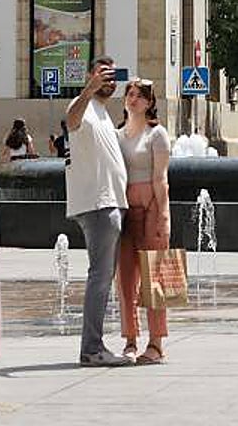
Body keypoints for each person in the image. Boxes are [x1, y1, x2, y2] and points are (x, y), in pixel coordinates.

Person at [65, 56, 131, 368]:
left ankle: (95, 346)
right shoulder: (83, 106)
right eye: (104, 74)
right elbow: (70, 120)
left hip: (110, 203)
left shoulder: (103, 112)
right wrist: (88, 90)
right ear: (91, 76)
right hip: (99, 204)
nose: (110, 81)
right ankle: (92, 349)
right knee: (100, 278)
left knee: (104, 277)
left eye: (113, 76)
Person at [116, 78, 172, 365]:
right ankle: (130, 341)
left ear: (149, 103)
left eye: (139, 95)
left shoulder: (157, 134)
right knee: (125, 279)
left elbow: (161, 178)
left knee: (154, 279)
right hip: (125, 212)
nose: (133, 98)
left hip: (151, 209)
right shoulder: (117, 135)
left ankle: (156, 344)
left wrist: (164, 215)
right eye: (130, 93)